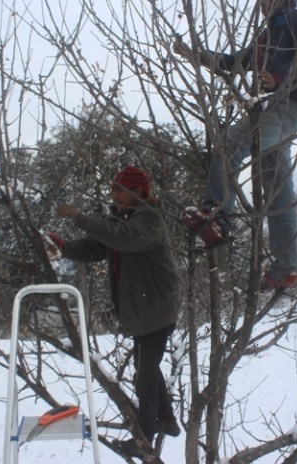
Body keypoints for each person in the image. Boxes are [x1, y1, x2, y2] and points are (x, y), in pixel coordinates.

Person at [177, 0, 297, 290]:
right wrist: (197, 55)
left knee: (232, 147)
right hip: (268, 106)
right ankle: (286, 268)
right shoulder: (267, 35)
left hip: (287, 102)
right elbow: (234, 64)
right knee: (275, 182)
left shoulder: (296, 20)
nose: (260, 2)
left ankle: (218, 216)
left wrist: (278, 79)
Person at [51, 164, 181, 457]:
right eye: (113, 188)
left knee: (144, 375)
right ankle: (168, 421)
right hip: (143, 310)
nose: (113, 193)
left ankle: (144, 440)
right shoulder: (123, 220)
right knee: (147, 367)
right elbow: (99, 247)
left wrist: (80, 217)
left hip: (157, 309)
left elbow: (122, 238)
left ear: (137, 192)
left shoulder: (148, 219)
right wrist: (65, 247)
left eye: (118, 188)